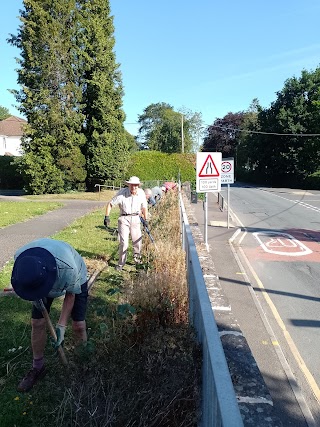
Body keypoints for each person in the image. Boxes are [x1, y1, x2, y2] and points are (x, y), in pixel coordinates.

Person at [11, 238, 88, 392]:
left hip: (72, 273)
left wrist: (61, 326)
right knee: (37, 323)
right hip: (38, 279)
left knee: (78, 325)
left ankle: (83, 367)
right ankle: (38, 368)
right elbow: (22, 286)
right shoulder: (22, 262)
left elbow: (70, 296)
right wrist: (32, 292)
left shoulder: (68, 268)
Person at [104, 176, 148, 270]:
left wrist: (145, 219)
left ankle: (137, 262)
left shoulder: (141, 193)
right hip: (124, 218)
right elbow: (110, 204)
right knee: (124, 243)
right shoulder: (122, 193)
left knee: (137, 242)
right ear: (128, 185)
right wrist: (107, 216)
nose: (134, 187)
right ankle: (121, 264)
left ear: (138, 186)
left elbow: (144, 207)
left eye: (136, 185)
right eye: (132, 185)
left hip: (136, 218)